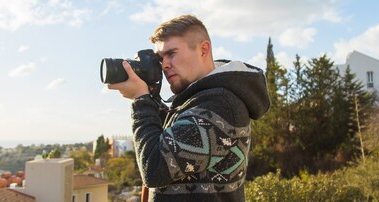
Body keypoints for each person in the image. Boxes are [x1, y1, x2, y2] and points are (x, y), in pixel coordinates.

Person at [108, 14, 270, 202]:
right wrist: (150, 98)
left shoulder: (221, 106)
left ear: (203, 49)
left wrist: (140, 99)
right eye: (160, 59)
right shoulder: (196, 101)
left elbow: (154, 167)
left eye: (172, 53)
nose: (165, 65)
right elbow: (166, 141)